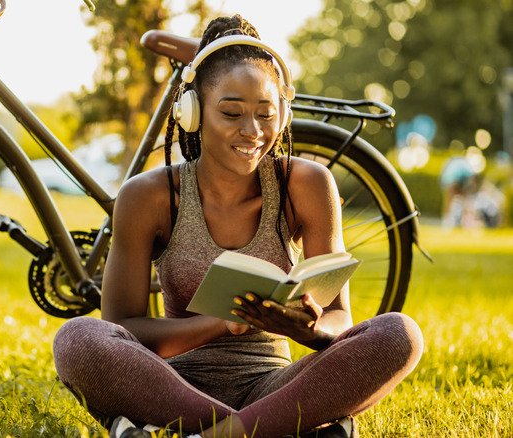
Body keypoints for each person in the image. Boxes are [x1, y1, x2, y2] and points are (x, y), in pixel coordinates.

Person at [53, 15, 423, 438]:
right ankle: (278, 430)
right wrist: (222, 322)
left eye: (265, 114)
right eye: (231, 113)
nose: (252, 131)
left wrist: (308, 327)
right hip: (175, 385)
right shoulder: (149, 196)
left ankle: (201, 433)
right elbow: (123, 327)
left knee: (399, 334)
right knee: (79, 339)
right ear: (192, 112)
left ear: (283, 115)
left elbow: (340, 318)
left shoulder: (306, 185)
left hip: (277, 387)